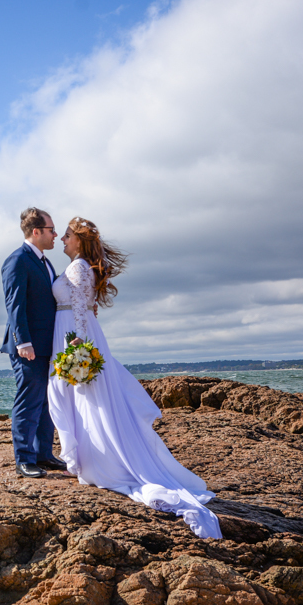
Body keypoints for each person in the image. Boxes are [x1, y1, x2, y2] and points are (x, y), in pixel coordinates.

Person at [47, 217, 222, 539]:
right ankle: (82, 453)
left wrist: (79, 349)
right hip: (72, 333)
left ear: (79, 241)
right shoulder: (78, 266)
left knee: (84, 397)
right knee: (72, 397)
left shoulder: (78, 267)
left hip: (74, 336)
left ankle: (97, 458)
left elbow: (83, 312)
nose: (63, 239)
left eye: (68, 236)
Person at [1, 208, 68, 478]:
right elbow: (14, 305)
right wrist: (22, 342)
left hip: (48, 344)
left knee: (45, 402)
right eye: (51, 229)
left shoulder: (45, 262)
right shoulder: (17, 260)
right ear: (36, 231)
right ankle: (24, 459)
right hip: (27, 346)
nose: (56, 234)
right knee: (29, 400)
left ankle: (43, 454)